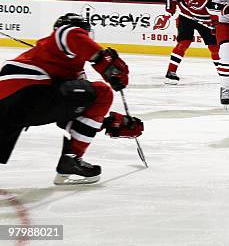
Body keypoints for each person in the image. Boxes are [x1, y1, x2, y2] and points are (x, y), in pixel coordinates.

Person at [0, 14, 142, 185]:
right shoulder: (62, 36)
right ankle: (71, 158)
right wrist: (106, 65)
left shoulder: (66, 68)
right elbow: (71, 34)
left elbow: (71, 115)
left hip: (13, 108)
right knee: (103, 92)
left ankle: (70, 162)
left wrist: (110, 123)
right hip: (25, 93)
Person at [164, 0, 221, 84]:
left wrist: (216, 20)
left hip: (206, 20)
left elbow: (220, 3)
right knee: (184, 43)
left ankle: (223, 72)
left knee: (214, 47)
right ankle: (171, 72)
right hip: (186, 16)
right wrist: (170, 4)